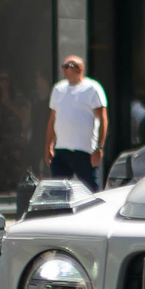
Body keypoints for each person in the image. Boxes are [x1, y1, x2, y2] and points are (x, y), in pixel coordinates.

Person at [46, 54, 107, 190]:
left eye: (70, 65)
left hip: (84, 151)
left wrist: (99, 147)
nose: (65, 69)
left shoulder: (92, 88)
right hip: (61, 149)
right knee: (59, 191)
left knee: (91, 190)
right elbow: (53, 120)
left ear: (80, 68)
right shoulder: (58, 89)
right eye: (64, 66)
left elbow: (103, 119)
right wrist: (49, 145)